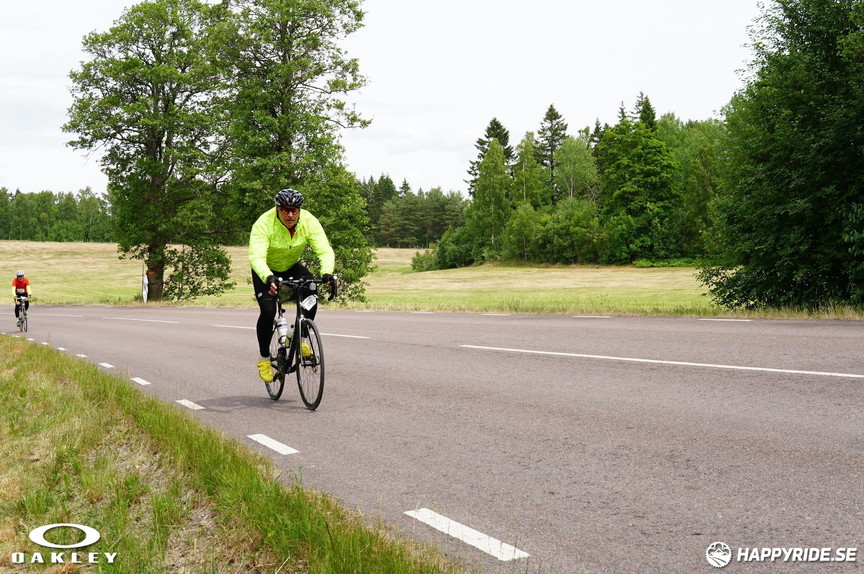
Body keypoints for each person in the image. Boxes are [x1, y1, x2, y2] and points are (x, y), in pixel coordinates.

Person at [248, 188, 338, 383]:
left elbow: (324, 249)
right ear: (278, 209)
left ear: (299, 210)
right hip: (266, 270)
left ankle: (299, 337)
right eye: (286, 210)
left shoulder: (308, 221)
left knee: (311, 292)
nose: (290, 215)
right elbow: (256, 256)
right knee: (268, 311)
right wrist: (268, 277)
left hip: (290, 266)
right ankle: (264, 358)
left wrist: (327, 272)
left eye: (294, 210)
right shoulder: (264, 223)